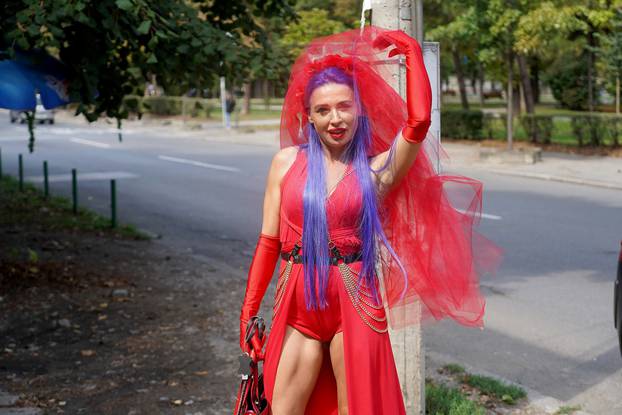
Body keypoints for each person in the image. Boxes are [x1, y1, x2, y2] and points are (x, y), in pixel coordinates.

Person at [239, 26, 502, 415]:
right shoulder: (284, 164)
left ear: (359, 109)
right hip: (295, 303)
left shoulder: (378, 171)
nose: (335, 119)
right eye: (323, 110)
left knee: (361, 408)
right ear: (308, 116)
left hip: (356, 303)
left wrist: (410, 52)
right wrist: (249, 313)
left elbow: (417, 122)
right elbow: (268, 243)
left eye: (344, 106)